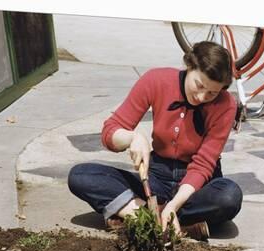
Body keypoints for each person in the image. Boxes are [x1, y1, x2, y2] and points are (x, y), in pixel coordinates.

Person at [67, 41, 243, 240]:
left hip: (197, 185)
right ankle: (177, 224)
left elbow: (203, 165)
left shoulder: (226, 105)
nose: (202, 96)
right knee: (80, 175)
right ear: (189, 66)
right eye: (199, 85)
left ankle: (142, 217)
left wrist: (174, 205)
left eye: (212, 92)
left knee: (229, 196)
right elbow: (110, 132)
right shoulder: (156, 80)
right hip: (157, 176)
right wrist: (132, 137)